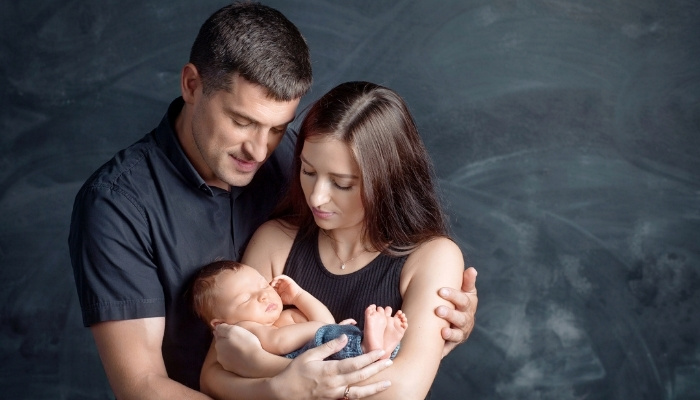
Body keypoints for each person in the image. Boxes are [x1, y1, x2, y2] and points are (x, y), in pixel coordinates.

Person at [68, 2, 477, 399]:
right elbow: (142, 386)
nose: (260, 151)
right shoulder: (117, 206)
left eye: (279, 129)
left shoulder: (304, 158)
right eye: (242, 121)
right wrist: (279, 389)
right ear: (192, 85)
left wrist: (439, 323)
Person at [200, 81, 469, 400]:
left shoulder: (433, 258)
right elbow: (213, 378)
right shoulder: (276, 241)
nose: (317, 196)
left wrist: (259, 366)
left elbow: (399, 392)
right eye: (308, 171)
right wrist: (277, 388)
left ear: (387, 182)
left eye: (342, 184)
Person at [191, 260, 407, 362]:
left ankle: (380, 349)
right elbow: (279, 342)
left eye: (263, 285)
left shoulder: (288, 315)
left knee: (335, 336)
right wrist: (325, 331)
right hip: (302, 366)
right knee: (334, 339)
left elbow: (326, 320)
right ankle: (373, 348)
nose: (263, 295)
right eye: (246, 298)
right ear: (220, 324)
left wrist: (298, 296)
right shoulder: (244, 331)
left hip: (327, 353)